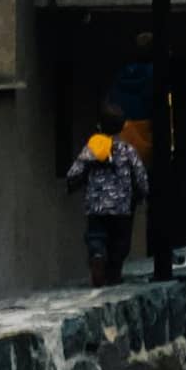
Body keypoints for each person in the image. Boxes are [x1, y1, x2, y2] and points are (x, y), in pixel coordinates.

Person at [65, 118, 146, 287]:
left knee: (96, 236)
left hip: (96, 205)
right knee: (119, 242)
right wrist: (141, 194)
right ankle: (114, 275)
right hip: (122, 207)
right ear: (123, 127)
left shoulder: (92, 150)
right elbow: (140, 176)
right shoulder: (128, 150)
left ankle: (97, 256)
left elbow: (73, 173)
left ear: (99, 126)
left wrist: (76, 185)